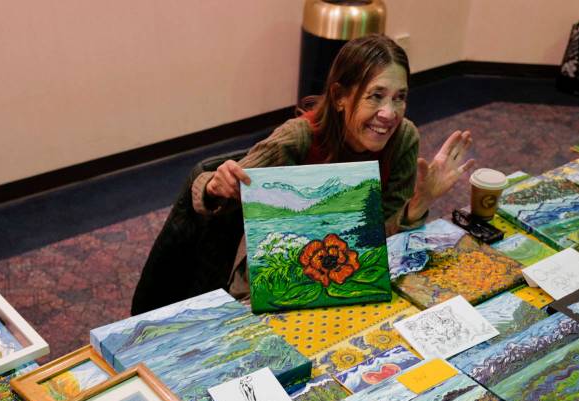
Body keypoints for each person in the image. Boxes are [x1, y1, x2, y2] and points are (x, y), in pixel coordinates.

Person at [130, 34, 475, 313]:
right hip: (275, 281)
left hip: (351, 274)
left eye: (400, 98)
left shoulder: (403, 139)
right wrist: (215, 185)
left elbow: (380, 239)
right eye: (376, 96)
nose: (389, 113)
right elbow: (215, 187)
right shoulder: (298, 137)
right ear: (340, 97)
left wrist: (420, 202)